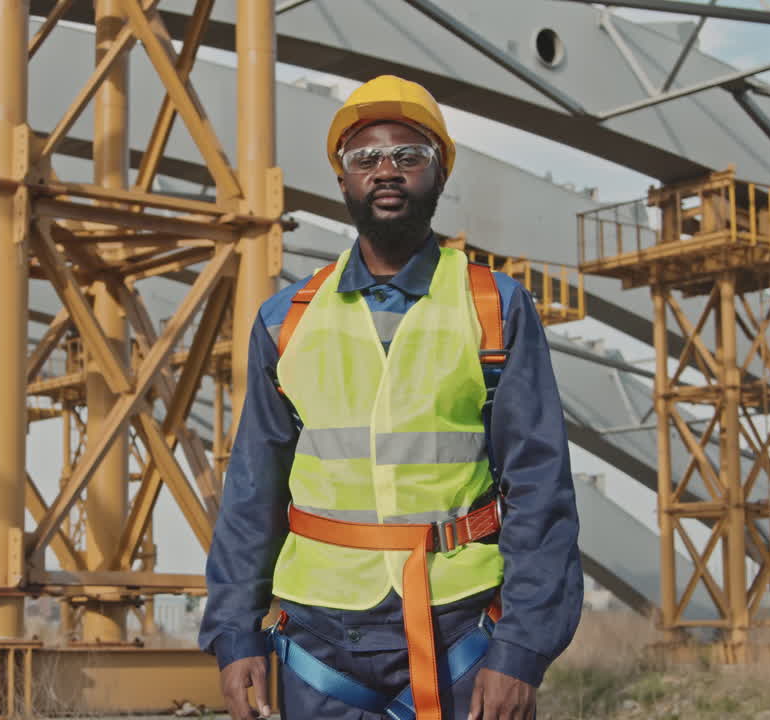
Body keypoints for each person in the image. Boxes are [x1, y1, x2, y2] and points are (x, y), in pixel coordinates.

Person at [199, 75, 582, 720]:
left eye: (410, 157)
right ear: (343, 180)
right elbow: (252, 490)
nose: (387, 170)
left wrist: (521, 648)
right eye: (366, 158)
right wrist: (234, 631)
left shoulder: (495, 308)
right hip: (319, 637)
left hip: (461, 626)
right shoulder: (285, 321)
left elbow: (541, 487)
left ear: (438, 176)